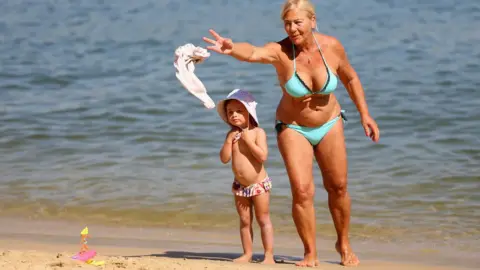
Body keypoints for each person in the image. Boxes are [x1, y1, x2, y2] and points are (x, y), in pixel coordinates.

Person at [203, 0, 380, 267]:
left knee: (339, 187)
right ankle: (310, 252)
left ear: (312, 21)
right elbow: (253, 52)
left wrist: (365, 114)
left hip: (330, 122)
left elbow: (350, 78)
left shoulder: (332, 46)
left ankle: (343, 243)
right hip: (293, 127)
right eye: (288, 23)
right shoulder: (281, 51)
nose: (293, 28)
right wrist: (232, 49)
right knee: (302, 191)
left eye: (298, 22)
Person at [217, 89, 275, 264]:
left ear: (249, 112)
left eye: (239, 111)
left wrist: (248, 141)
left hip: (258, 185)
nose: (234, 115)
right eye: (230, 112)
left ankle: (269, 255)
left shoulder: (258, 132)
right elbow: (224, 159)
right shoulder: (231, 135)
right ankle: (247, 253)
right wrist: (229, 141)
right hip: (240, 186)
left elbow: (262, 156)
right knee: (244, 220)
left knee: (263, 219)